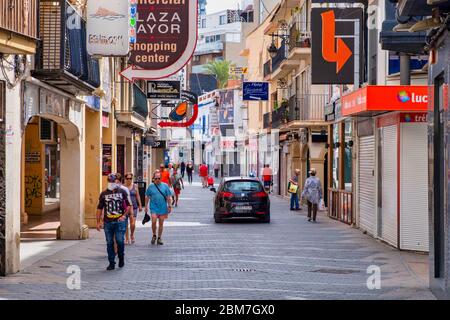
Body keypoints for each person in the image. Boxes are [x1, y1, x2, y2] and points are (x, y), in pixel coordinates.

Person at [96, 173, 132, 271]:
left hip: (119, 221)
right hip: (108, 222)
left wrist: (124, 216)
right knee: (109, 242)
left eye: (113, 181)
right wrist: (98, 222)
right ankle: (111, 262)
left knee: (120, 240)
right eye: (110, 181)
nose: (112, 183)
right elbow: (99, 208)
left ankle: (121, 256)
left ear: (117, 181)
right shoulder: (103, 194)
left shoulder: (122, 192)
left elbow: (128, 205)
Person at [145, 170, 173, 245]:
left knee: (161, 223)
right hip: (153, 207)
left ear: (161, 178)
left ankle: (159, 238)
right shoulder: (151, 186)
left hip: (163, 207)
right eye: (156, 178)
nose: (157, 180)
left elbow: (168, 197)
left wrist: (169, 206)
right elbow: (147, 196)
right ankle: (154, 235)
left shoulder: (165, 186)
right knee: (153, 220)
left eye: (159, 178)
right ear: (153, 178)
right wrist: (146, 206)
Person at [124, 172, 143, 244]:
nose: (129, 180)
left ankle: (132, 235)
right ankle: (126, 238)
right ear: (125, 179)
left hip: (134, 207)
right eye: (127, 178)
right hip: (125, 207)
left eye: (130, 178)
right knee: (125, 223)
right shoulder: (123, 187)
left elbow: (137, 196)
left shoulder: (135, 186)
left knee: (133, 223)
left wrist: (140, 205)